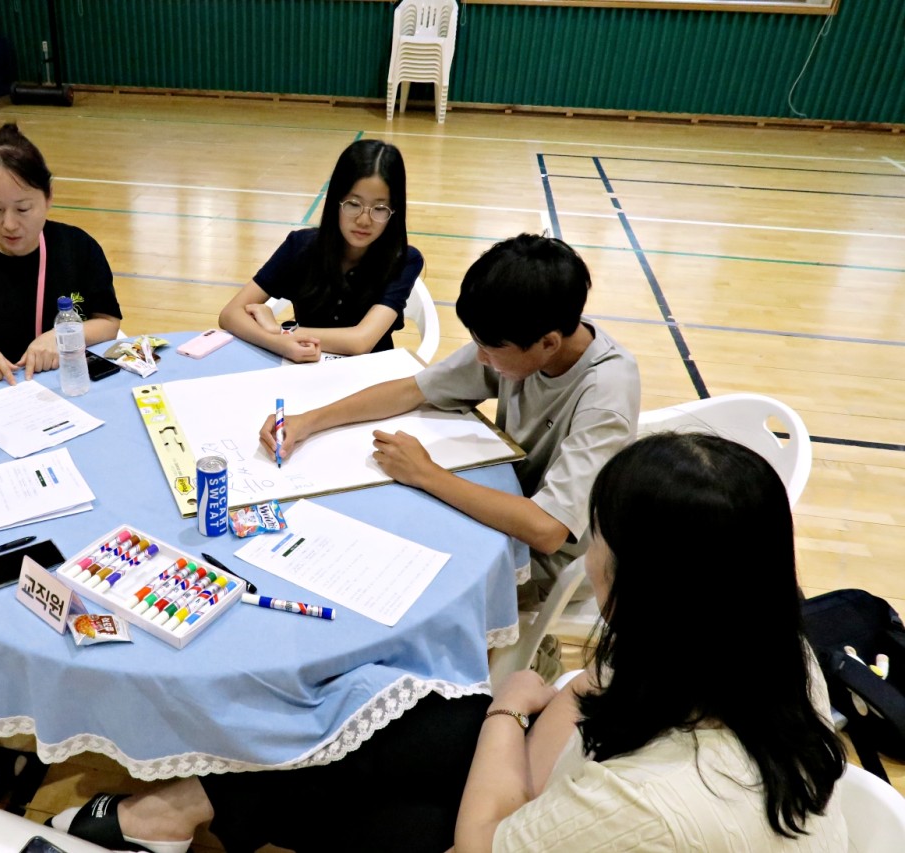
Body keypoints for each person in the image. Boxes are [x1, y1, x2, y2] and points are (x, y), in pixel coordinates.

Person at [49, 433, 847, 852]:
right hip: (590, 789)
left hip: (586, 820)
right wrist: (529, 724)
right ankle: (187, 804)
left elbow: (482, 844)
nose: (586, 547)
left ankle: (183, 806)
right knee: (419, 720)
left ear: (639, 582)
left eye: (598, 534)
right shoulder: (759, 642)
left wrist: (510, 714)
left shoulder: (650, 808)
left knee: (385, 813)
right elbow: (585, 691)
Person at [262, 233, 640, 602]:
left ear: (549, 343)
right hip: (505, 504)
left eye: (489, 349)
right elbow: (414, 389)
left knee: (391, 577)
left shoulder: (604, 394)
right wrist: (308, 420)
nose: (480, 360)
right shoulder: (527, 326)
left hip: (555, 562)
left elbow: (547, 530)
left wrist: (425, 473)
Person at [0, 122, 122, 399]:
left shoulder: (78, 248)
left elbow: (108, 323)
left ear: (48, 196)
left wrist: (63, 335)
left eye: (23, 208)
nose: (9, 224)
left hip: (69, 391)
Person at [218, 139, 423, 362]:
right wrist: (280, 343)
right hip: (304, 369)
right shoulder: (301, 246)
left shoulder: (404, 260)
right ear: (337, 201)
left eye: (380, 209)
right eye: (353, 204)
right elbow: (230, 314)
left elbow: (360, 341)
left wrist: (280, 331)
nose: (364, 220)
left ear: (394, 211)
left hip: (368, 378)